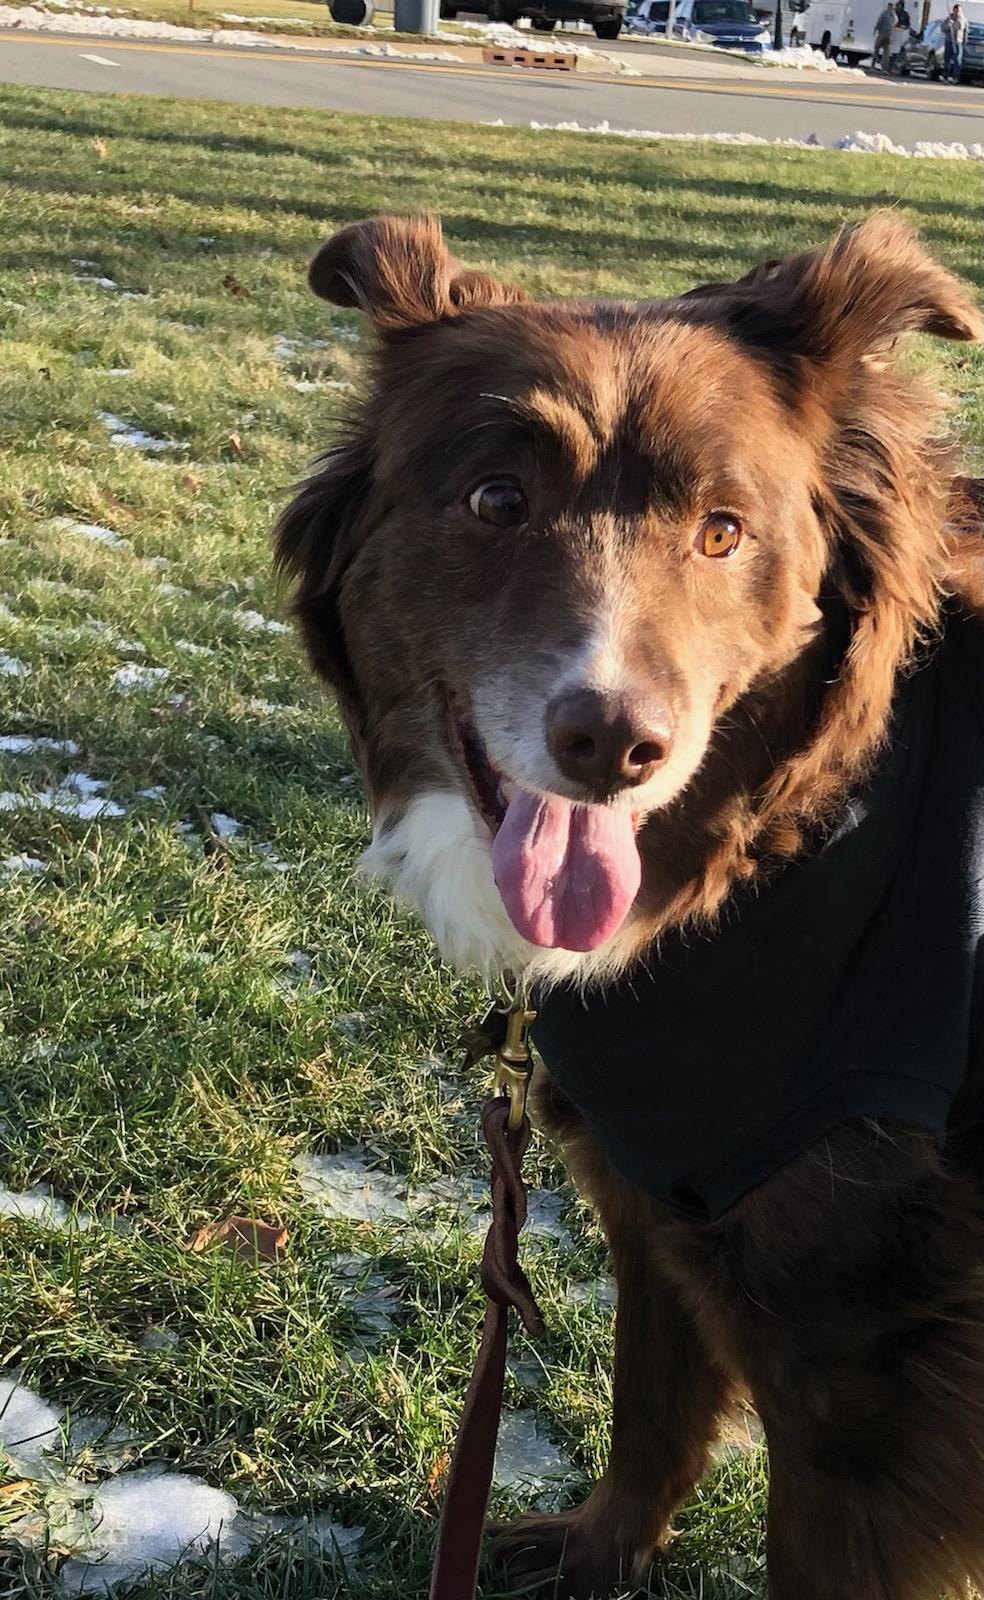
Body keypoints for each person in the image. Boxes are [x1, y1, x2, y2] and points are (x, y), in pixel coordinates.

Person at [943, 2, 966, 78]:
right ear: (953, 10)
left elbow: (960, 28)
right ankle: (945, 75)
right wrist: (948, 24)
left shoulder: (962, 19)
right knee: (947, 59)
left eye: (959, 11)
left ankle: (955, 76)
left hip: (957, 42)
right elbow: (943, 28)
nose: (957, 12)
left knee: (957, 59)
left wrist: (954, 22)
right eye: (956, 10)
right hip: (949, 41)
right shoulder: (948, 18)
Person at [873, 0, 897, 66]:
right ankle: (884, 65)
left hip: (883, 34)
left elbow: (879, 22)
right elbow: (895, 23)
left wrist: (875, 29)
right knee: (886, 51)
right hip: (888, 35)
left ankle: (874, 64)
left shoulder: (885, 14)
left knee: (877, 48)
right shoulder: (894, 16)